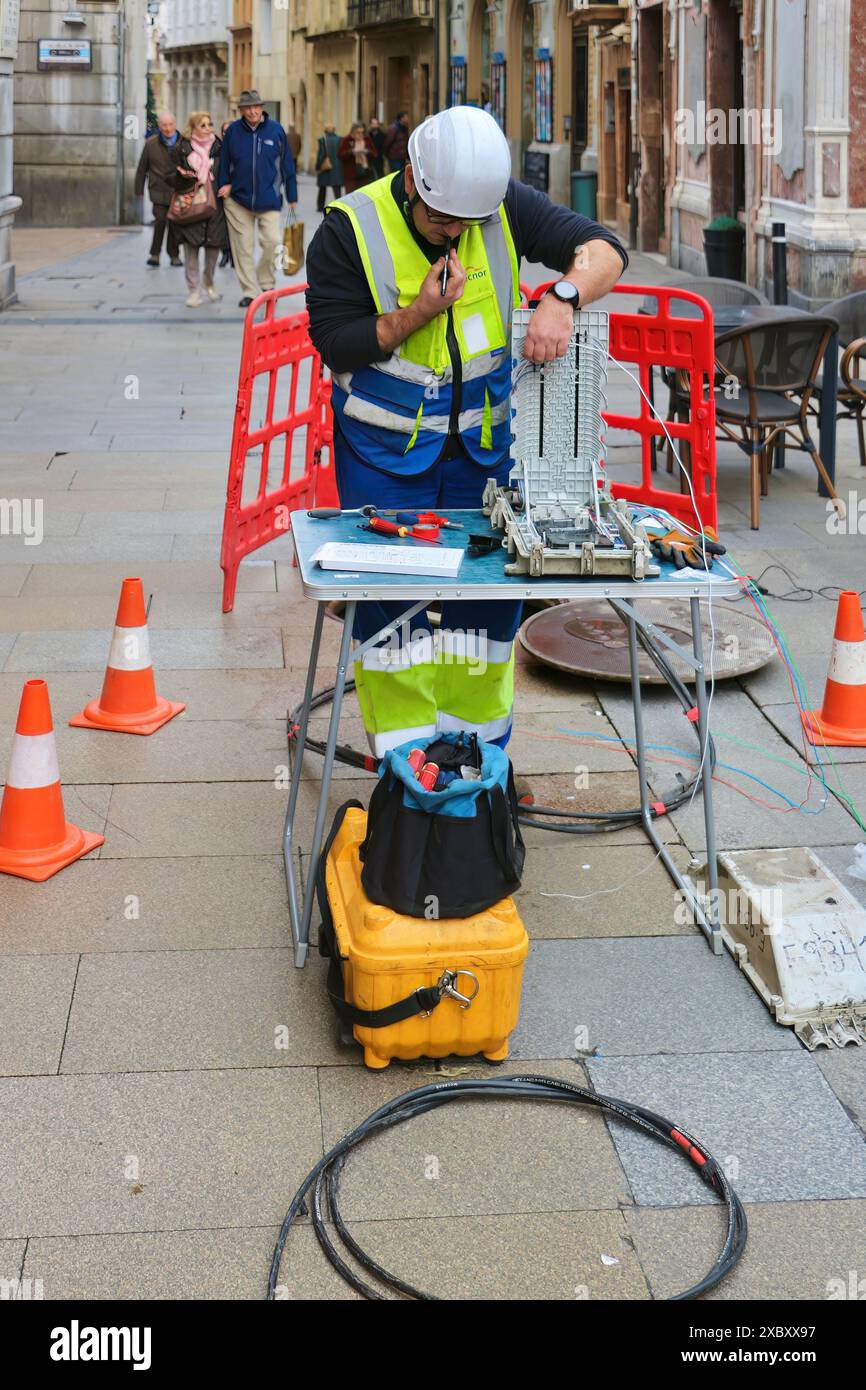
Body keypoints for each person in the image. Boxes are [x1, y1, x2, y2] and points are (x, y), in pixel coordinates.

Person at [305, 105, 627, 757]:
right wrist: (416, 313)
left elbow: (603, 250)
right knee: (391, 614)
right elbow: (335, 343)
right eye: (441, 218)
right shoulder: (349, 229)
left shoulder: (497, 204)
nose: (455, 231)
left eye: (468, 222)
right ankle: (408, 768)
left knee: (485, 612)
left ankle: (477, 769)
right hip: (383, 454)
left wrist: (562, 299)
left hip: (483, 455)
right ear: (412, 182)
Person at [217, 89, 298, 308]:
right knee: (242, 247)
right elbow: (224, 161)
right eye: (247, 108)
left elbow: (287, 164)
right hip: (238, 200)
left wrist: (292, 194)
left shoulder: (276, 131)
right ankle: (250, 292)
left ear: (261, 108)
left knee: (272, 242)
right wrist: (223, 183)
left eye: (256, 107)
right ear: (241, 110)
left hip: (269, 198)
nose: (252, 111)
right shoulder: (233, 132)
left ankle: (266, 281)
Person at [171, 111, 229, 308]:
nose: (208, 128)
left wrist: (226, 185)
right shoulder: (182, 149)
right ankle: (194, 290)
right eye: (203, 125)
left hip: (215, 207)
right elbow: (171, 176)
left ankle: (208, 282)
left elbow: (229, 171)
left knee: (213, 250)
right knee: (191, 250)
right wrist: (186, 176)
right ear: (193, 127)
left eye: (210, 124)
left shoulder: (220, 148)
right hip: (191, 205)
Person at [134, 110, 183, 267]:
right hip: (158, 190)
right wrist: (139, 190)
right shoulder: (151, 144)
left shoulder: (184, 143)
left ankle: (174, 255)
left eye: (170, 125)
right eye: (164, 125)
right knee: (160, 220)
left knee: (174, 224)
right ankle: (155, 254)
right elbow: (142, 168)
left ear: (175, 124)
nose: (168, 128)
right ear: (159, 126)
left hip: (178, 191)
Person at [337, 122, 376, 194]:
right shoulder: (347, 140)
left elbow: (374, 154)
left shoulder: (367, 139)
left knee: (363, 196)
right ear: (353, 132)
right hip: (351, 173)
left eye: (362, 132)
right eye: (358, 132)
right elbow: (340, 155)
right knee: (351, 196)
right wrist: (351, 152)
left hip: (365, 172)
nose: (361, 134)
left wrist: (366, 151)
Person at [315, 123, 342, 213]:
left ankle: (320, 206)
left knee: (322, 188)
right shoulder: (340, 139)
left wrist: (318, 166)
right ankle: (340, 206)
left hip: (325, 168)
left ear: (325, 130)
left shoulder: (323, 140)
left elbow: (321, 155)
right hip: (337, 168)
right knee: (337, 189)